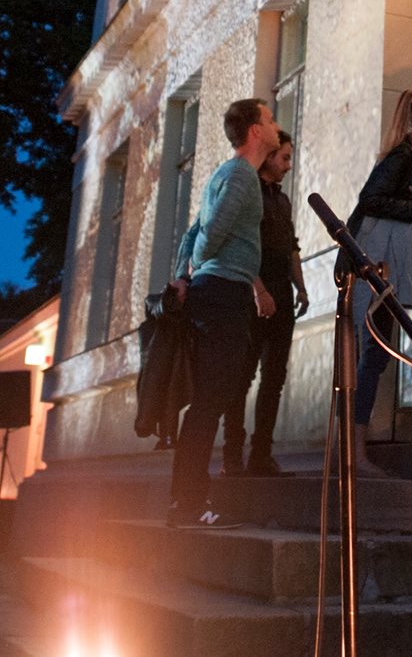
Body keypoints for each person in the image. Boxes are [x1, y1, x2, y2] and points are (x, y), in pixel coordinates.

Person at [165, 97, 281, 527]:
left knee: (208, 400)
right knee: (211, 400)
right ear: (255, 131)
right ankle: (189, 503)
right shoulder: (241, 177)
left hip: (215, 291)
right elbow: (207, 235)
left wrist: (183, 276)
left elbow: (193, 231)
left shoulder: (224, 173)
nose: (274, 124)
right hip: (222, 294)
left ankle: (186, 500)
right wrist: (195, 267)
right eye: (269, 119)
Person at [347, 84, 412, 457]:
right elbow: (370, 200)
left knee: (372, 361)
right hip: (379, 268)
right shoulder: (407, 156)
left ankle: (355, 451)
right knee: (370, 360)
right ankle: (354, 453)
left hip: (388, 267)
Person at [223, 129, 309, 477]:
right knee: (241, 375)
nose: (289, 165)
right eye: (285, 157)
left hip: (282, 293)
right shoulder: (249, 193)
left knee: (275, 376)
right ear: (270, 157)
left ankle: (261, 453)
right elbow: (239, 245)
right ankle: (232, 455)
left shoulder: (282, 200)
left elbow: (291, 247)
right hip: (251, 292)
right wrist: (259, 289)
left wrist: (300, 288)